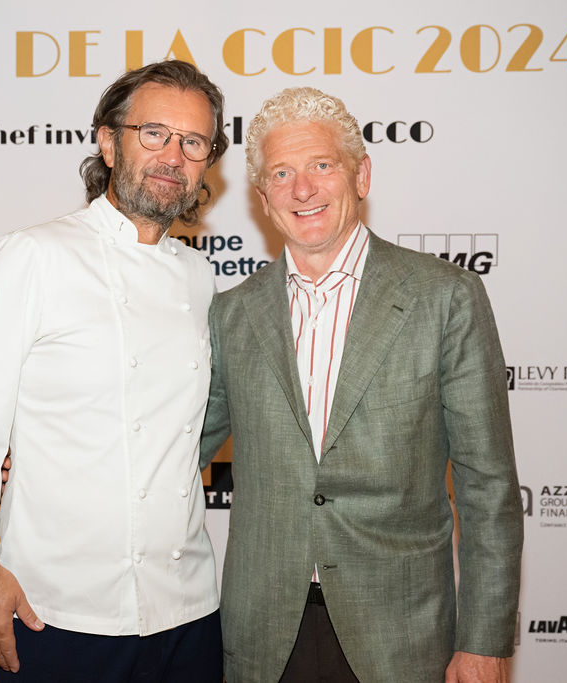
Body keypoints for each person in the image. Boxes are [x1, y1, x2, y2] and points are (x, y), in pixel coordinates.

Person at [0, 60, 228, 682]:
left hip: (187, 609)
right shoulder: (33, 256)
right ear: (109, 143)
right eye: (154, 134)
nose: (173, 156)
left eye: (194, 142)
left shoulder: (198, 277)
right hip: (55, 612)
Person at [200, 87, 523, 682]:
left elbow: (488, 485)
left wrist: (484, 642)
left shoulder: (445, 297)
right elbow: (172, 454)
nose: (303, 189)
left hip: (402, 637)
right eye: (281, 173)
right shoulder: (231, 313)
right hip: (263, 638)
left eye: (322, 165)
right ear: (263, 197)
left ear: (362, 175)